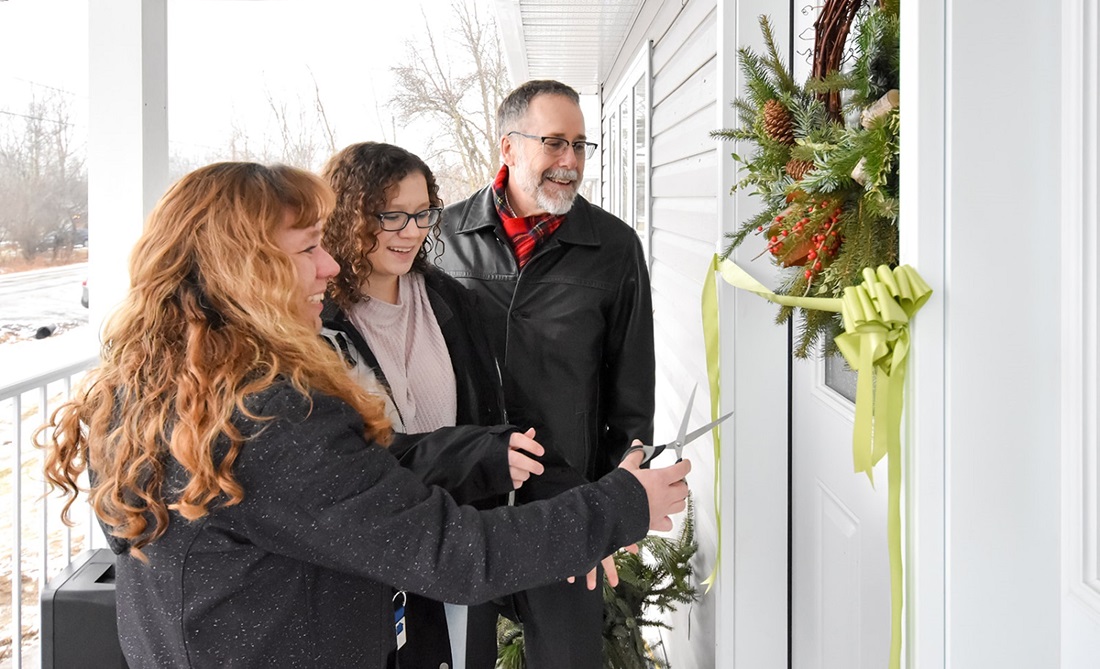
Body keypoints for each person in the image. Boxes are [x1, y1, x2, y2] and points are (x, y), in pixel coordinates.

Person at [36, 161, 687, 669]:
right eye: (306, 250)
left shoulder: (161, 379)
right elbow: (453, 552)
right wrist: (622, 504)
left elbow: (348, 479)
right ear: (245, 269)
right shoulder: (263, 413)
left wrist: (488, 457)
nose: (329, 265)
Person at [319, 141, 583, 668]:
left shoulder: (451, 300)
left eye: (422, 213)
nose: (411, 231)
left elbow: (489, 418)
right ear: (347, 217)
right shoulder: (320, 324)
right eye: (391, 215)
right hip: (375, 559)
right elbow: (359, 460)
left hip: (463, 541)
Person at [438, 79, 657, 669]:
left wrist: (616, 501)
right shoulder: (442, 241)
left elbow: (632, 393)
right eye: (555, 143)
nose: (571, 162)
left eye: (581, 146)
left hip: (566, 501)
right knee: (461, 656)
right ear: (508, 148)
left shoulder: (614, 247)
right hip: (464, 502)